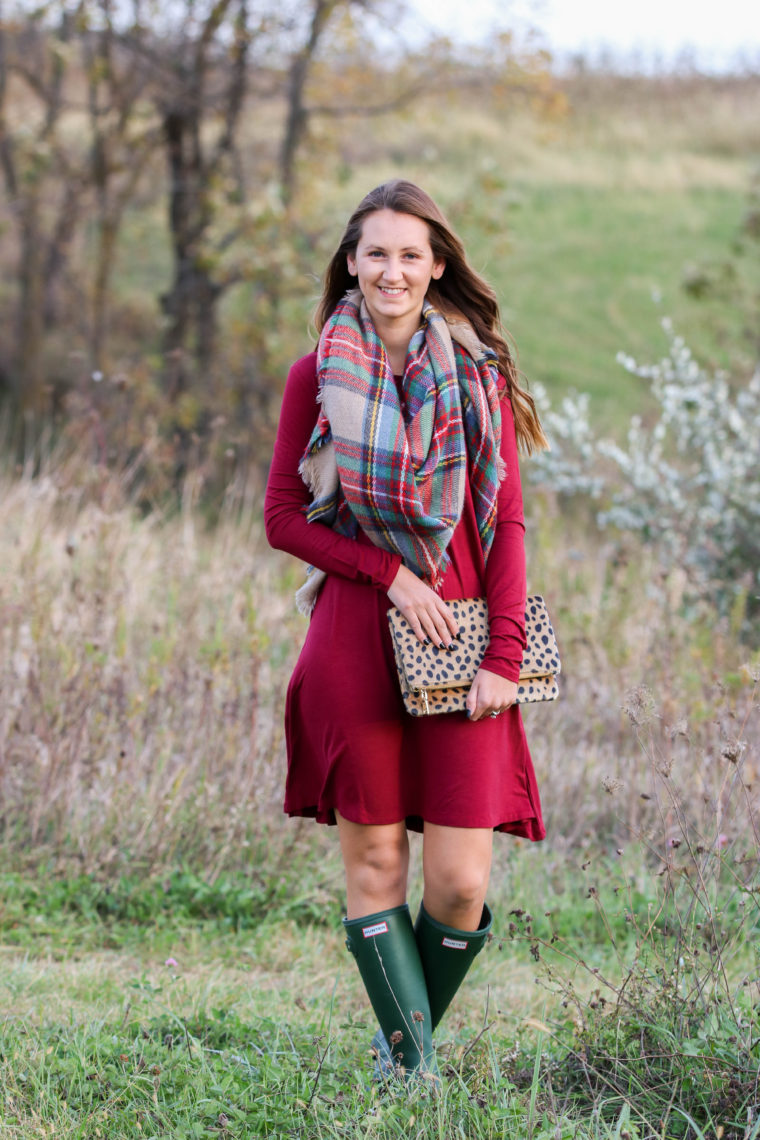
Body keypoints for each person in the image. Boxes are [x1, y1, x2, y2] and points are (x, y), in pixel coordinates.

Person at [264, 179, 548, 1080]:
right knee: (378, 859)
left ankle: (402, 1047)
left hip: (464, 641)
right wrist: (387, 574)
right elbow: (282, 516)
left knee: (462, 884)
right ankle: (410, 1070)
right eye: (375, 252)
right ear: (352, 261)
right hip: (355, 631)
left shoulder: (478, 378)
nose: (392, 270)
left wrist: (504, 651)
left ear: (436, 270)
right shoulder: (316, 374)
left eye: (410, 255)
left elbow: (505, 524)